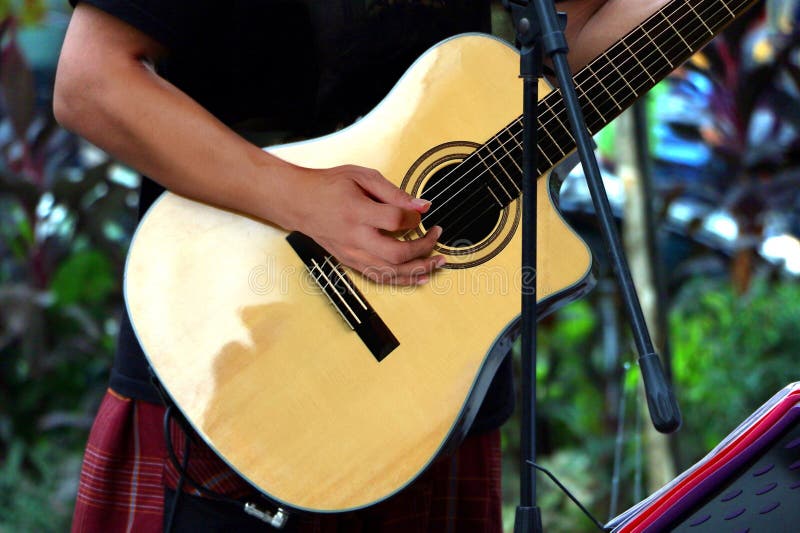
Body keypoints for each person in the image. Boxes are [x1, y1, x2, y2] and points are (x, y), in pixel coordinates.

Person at [55, 0, 671, 531]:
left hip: (435, 393)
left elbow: (568, 40)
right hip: (234, 364)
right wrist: (302, 199)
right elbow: (91, 81)